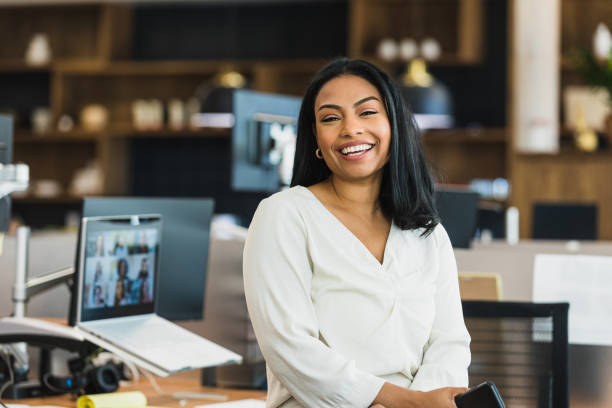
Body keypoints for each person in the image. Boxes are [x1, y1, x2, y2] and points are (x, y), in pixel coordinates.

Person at [243, 58, 471, 408]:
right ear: (316, 138)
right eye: (331, 118)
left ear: (393, 124)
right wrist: (398, 401)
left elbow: (449, 344)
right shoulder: (285, 215)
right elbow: (290, 348)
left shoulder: (427, 232)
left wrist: (417, 404)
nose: (351, 128)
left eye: (366, 113)